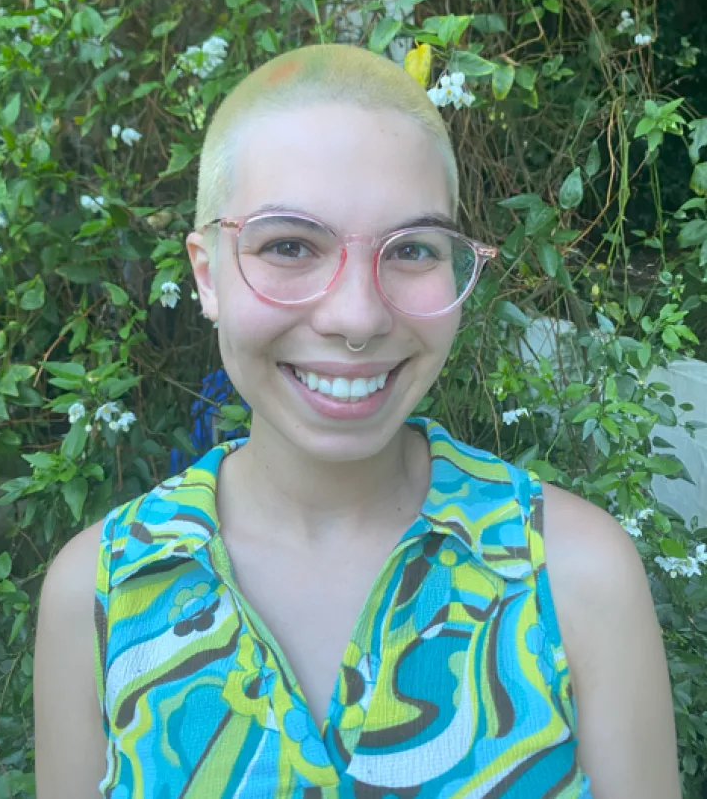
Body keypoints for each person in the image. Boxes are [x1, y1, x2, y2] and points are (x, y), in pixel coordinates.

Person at [33, 44, 681, 799]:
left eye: (410, 249)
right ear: (207, 275)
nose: (358, 317)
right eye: (288, 246)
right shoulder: (103, 592)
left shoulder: (573, 578)